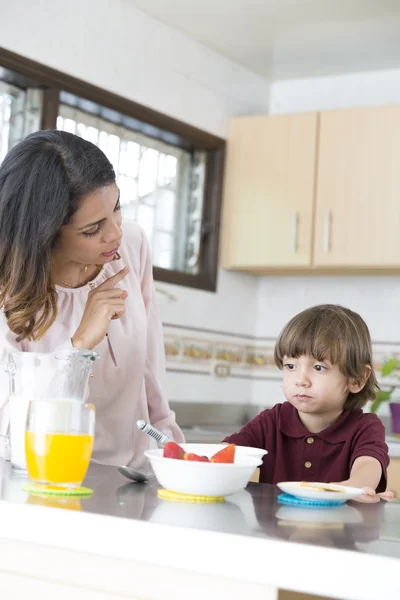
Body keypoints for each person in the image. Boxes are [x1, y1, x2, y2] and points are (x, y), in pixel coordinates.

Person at [0, 129, 184, 469]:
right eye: (92, 229)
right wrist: (80, 343)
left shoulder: (130, 245)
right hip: (40, 479)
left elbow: (150, 374)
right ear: (44, 233)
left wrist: (173, 456)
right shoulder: (7, 291)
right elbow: (13, 429)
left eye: (117, 209)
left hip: (130, 476)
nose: (114, 232)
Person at [223, 304, 393, 502]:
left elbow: (368, 466)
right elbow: (227, 453)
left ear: (357, 379)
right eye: (291, 366)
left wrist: (351, 487)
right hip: (275, 533)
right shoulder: (270, 421)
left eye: (319, 367)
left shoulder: (365, 428)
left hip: (338, 531)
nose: (301, 379)